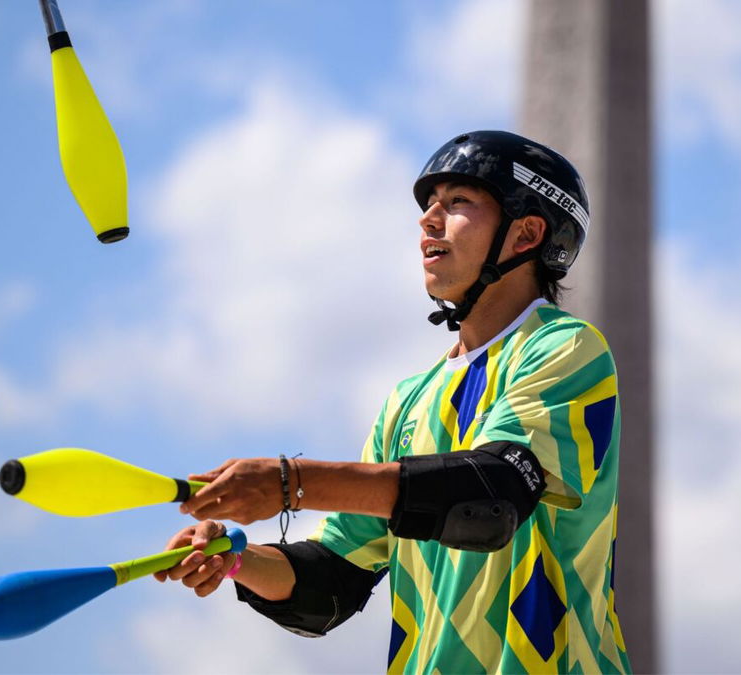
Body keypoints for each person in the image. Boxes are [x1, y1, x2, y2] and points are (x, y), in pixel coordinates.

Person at [155, 130, 631, 674]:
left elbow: (490, 498)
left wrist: (290, 483)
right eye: (429, 205)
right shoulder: (408, 400)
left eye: (459, 202)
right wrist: (236, 560)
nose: (428, 219)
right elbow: (334, 577)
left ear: (526, 234)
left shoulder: (567, 349)